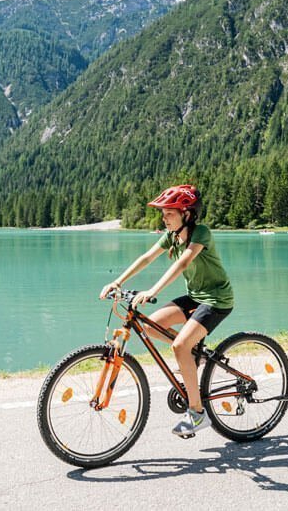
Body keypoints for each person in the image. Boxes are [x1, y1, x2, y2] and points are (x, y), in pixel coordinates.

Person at [100, 185, 234, 438]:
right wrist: (118, 281)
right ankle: (196, 352)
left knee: (179, 347)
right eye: (163, 214)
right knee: (150, 326)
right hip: (195, 297)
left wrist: (152, 290)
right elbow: (147, 257)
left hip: (217, 299)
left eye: (169, 213)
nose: (164, 218)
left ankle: (197, 414)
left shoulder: (200, 233)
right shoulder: (171, 236)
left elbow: (184, 262)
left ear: (187, 213)